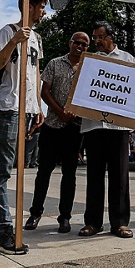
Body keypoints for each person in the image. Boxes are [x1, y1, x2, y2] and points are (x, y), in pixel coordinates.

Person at [0, 0, 47, 255]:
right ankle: (4, 225)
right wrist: (15, 40)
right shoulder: (8, 31)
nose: (43, 12)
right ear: (28, 6)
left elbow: (36, 72)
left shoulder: (37, 38)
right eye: (40, 7)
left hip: (27, 108)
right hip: (9, 107)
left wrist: (38, 106)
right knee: (4, 168)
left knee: (5, 167)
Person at [25, 32, 89, 234]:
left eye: (84, 44)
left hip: (74, 129)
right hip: (52, 125)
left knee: (69, 175)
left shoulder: (90, 68)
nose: (80, 46)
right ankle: (35, 213)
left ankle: (65, 217)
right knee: (43, 173)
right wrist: (61, 112)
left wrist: (75, 114)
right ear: (70, 43)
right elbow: (45, 91)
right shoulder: (54, 63)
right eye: (77, 42)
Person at [79, 22, 135, 238]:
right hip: (93, 125)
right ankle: (93, 222)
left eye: (100, 37)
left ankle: (120, 222)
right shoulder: (89, 61)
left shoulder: (127, 59)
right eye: (94, 38)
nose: (96, 41)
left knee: (120, 176)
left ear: (112, 37)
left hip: (118, 126)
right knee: (94, 176)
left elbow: (134, 87)